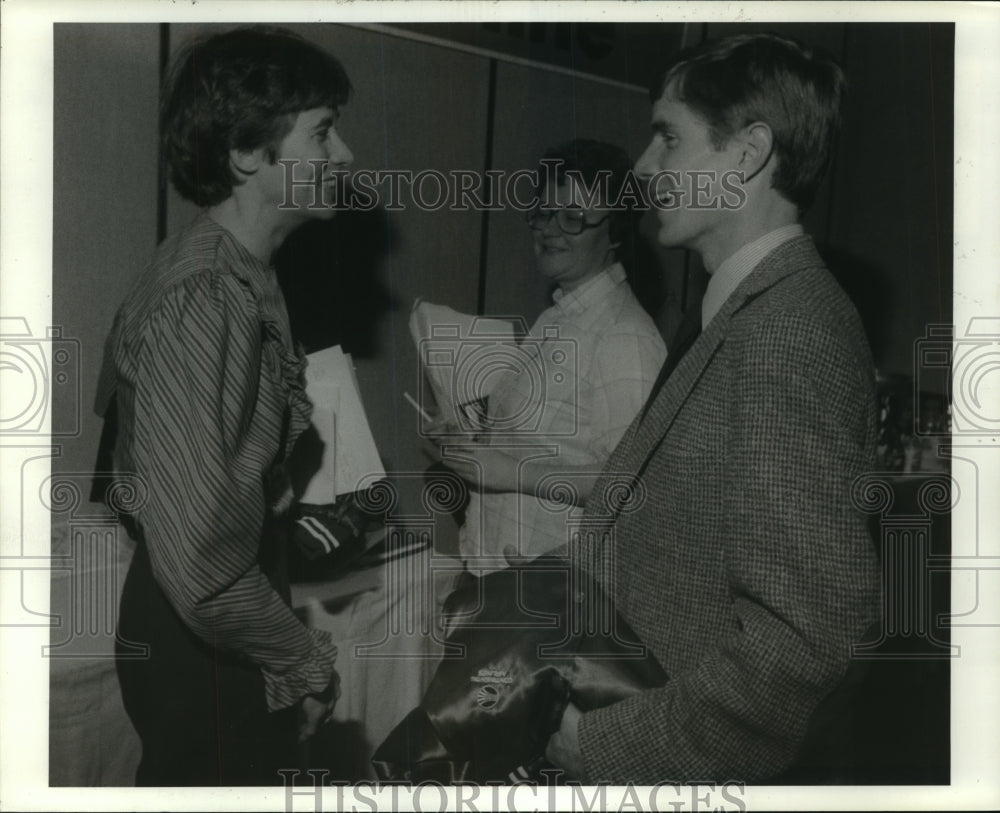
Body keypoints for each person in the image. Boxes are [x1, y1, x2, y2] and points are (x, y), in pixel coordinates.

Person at [544, 33, 882, 783]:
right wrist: (555, 578)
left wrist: (604, 745)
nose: (643, 167)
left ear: (747, 153)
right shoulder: (738, 311)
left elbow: (807, 639)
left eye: (668, 136)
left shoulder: (788, 331)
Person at [96, 26, 354, 785]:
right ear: (247, 152)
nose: (344, 158)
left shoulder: (237, 275)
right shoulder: (207, 297)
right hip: (199, 631)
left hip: (213, 617)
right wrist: (299, 657)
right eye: (324, 132)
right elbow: (202, 559)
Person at [434, 139, 666, 573]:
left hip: (552, 600)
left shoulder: (625, 338)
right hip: (494, 575)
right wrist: (468, 438)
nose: (549, 229)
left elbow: (633, 486)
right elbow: (541, 441)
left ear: (615, 232)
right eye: (543, 212)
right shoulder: (555, 318)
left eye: (573, 218)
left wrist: (508, 472)